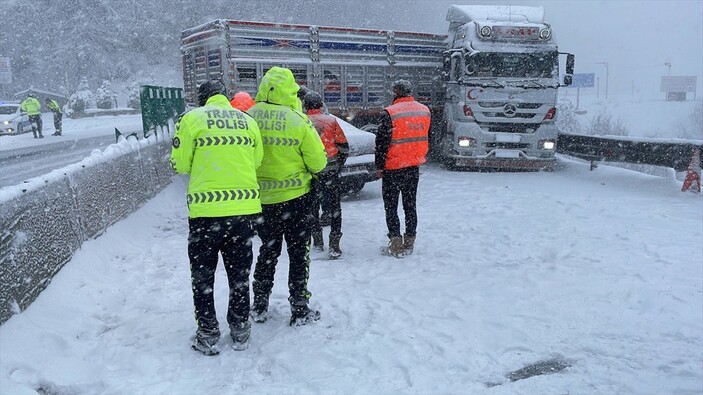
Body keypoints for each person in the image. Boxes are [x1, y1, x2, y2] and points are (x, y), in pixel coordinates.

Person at [169, 79, 263, 355]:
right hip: (243, 215)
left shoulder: (192, 120)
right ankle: (240, 328)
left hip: (206, 217)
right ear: (226, 97)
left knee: (203, 277)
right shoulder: (247, 120)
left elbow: (180, 164)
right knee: (239, 275)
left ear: (202, 99)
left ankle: (208, 332)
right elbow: (256, 161)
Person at [248, 67, 327, 326]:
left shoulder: (248, 118)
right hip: (297, 201)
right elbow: (318, 163)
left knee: (267, 252)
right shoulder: (298, 120)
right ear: (290, 90)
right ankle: (300, 307)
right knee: (298, 255)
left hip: (261, 202)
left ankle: (259, 303)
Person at [375, 80, 431, 258]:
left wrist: (380, 166)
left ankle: (396, 243)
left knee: (391, 207)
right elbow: (426, 136)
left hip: (393, 168)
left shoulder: (390, 113)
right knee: (410, 205)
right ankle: (410, 241)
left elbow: (381, 143)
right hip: (413, 167)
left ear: (397, 92)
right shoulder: (424, 111)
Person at [303, 91, 349, 259]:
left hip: (311, 174)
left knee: (312, 208)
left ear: (305, 105)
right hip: (331, 172)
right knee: (335, 207)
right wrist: (337, 166)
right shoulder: (331, 121)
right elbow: (344, 147)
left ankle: (317, 241)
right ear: (321, 104)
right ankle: (335, 244)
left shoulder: (302, 122)